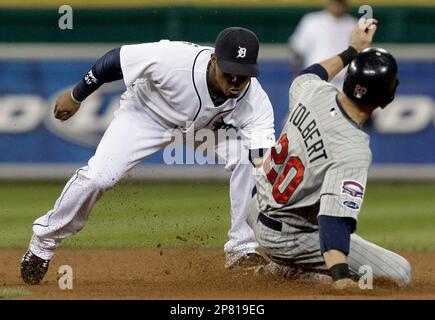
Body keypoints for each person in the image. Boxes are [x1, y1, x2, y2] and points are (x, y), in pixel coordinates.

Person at [20, 27, 276, 285]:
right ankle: (43, 242)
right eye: (229, 71)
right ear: (213, 60)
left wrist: (270, 199)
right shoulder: (173, 59)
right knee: (99, 178)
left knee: (248, 160)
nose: (234, 80)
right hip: (147, 115)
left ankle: (242, 249)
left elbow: (261, 161)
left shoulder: (255, 100)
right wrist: (76, 95)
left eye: (242, 75)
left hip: (206, 128)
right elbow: (115, 59)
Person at [246, 19, 412, 289]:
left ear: (347, 79)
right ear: (386, 99)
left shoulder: (314, 91)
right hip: (287, 237)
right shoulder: (353, 149)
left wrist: (351, 51)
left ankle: (287, 262)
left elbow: (309, 73)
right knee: (400, 273)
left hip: (255, 207)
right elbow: (333, 218)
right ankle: (293, 271)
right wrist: (340, 277)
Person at [288, 0, 357, 88]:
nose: (337, 6)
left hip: (344, 83)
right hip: (315, 81)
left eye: (340, 3)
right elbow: (298, 52)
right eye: (335, 3)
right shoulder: (312, 21)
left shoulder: (354, 24)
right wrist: (297, 76)